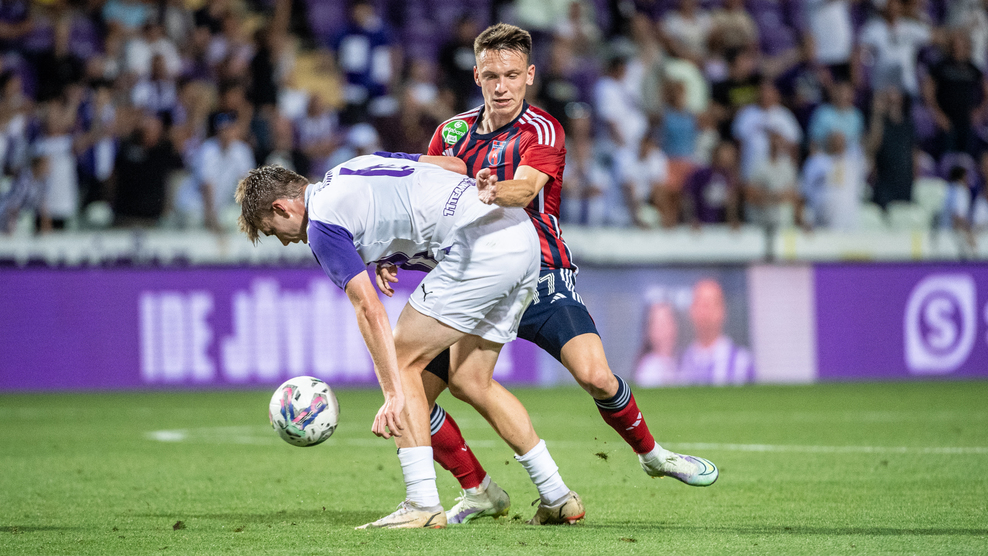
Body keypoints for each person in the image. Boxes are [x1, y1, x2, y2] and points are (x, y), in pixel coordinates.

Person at [418, 23, 719, 526]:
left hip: (539, 272)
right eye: (491, 75)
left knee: (596, 376)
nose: (501, 86)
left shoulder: (542, 130)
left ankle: (653, 456)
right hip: (476, 279)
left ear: (530, 75)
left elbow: (524, 189)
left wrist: (488, 190)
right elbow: (424, 199)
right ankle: (478, 489)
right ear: (476, 75)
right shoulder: (452, 133)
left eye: (512, 74)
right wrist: (394, 252)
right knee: (416, 392)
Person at [236, 154, 584, 529]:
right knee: (471, 380)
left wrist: (392, 393)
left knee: (401, 362)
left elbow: (369, 309)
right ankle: (557, 496)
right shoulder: (351, 167)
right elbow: (455, 168)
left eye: (273, 231)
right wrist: (390, 249)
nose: (285, 242)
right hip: (520, 236)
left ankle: (422, 502)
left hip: (481, 249)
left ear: (281, 207)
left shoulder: (321, 226)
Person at [678, 279, 754, 385]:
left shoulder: (742, 362)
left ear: (722, 311)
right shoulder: (681, 362)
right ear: (691, 310)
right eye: (699, 304)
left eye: (709, 304)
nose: (703, 312)